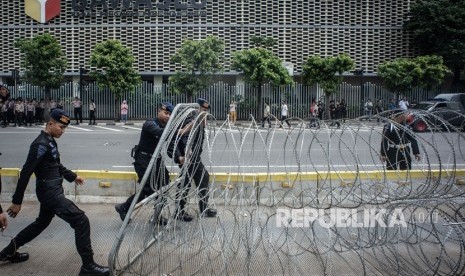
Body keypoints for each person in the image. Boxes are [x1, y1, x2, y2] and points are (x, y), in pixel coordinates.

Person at [0, 109, 109, 275]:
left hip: (53, 190)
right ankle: (88, 266)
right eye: (61, 127)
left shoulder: (49, 140)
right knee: (81, 220)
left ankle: (7, 252)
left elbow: (55, 165)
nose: (63, 131)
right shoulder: (40, 144)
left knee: (41, 223)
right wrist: (17, 202)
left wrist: (73, 176)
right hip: (49, 193)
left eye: (65, 128)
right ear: (50, 124)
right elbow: (26, 172)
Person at [115, 102, 180, 224]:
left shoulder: (166, 126)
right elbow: (162, 134)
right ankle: (124, 207)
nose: (167, 116)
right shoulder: (150, 124)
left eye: (170, 115)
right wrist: (179, 130)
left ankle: (156, 216)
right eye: (166, 113)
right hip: (143, 160)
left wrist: (179, 156)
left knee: (165, 186)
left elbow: (171, 144)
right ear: (159, 111)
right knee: (148, 189)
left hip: (156, 160)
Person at [168, 98, 218, 222]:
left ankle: (202, 208)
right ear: (197, 109)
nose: (205, 112)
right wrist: (187, 151)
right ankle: (179, 211)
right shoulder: (192, 122)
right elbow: (186, 138)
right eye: (203, 110)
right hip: (189, 159)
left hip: (195, 159)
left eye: (206, 110)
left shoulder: (200, 121)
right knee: (185, 183)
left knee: (202, 178)